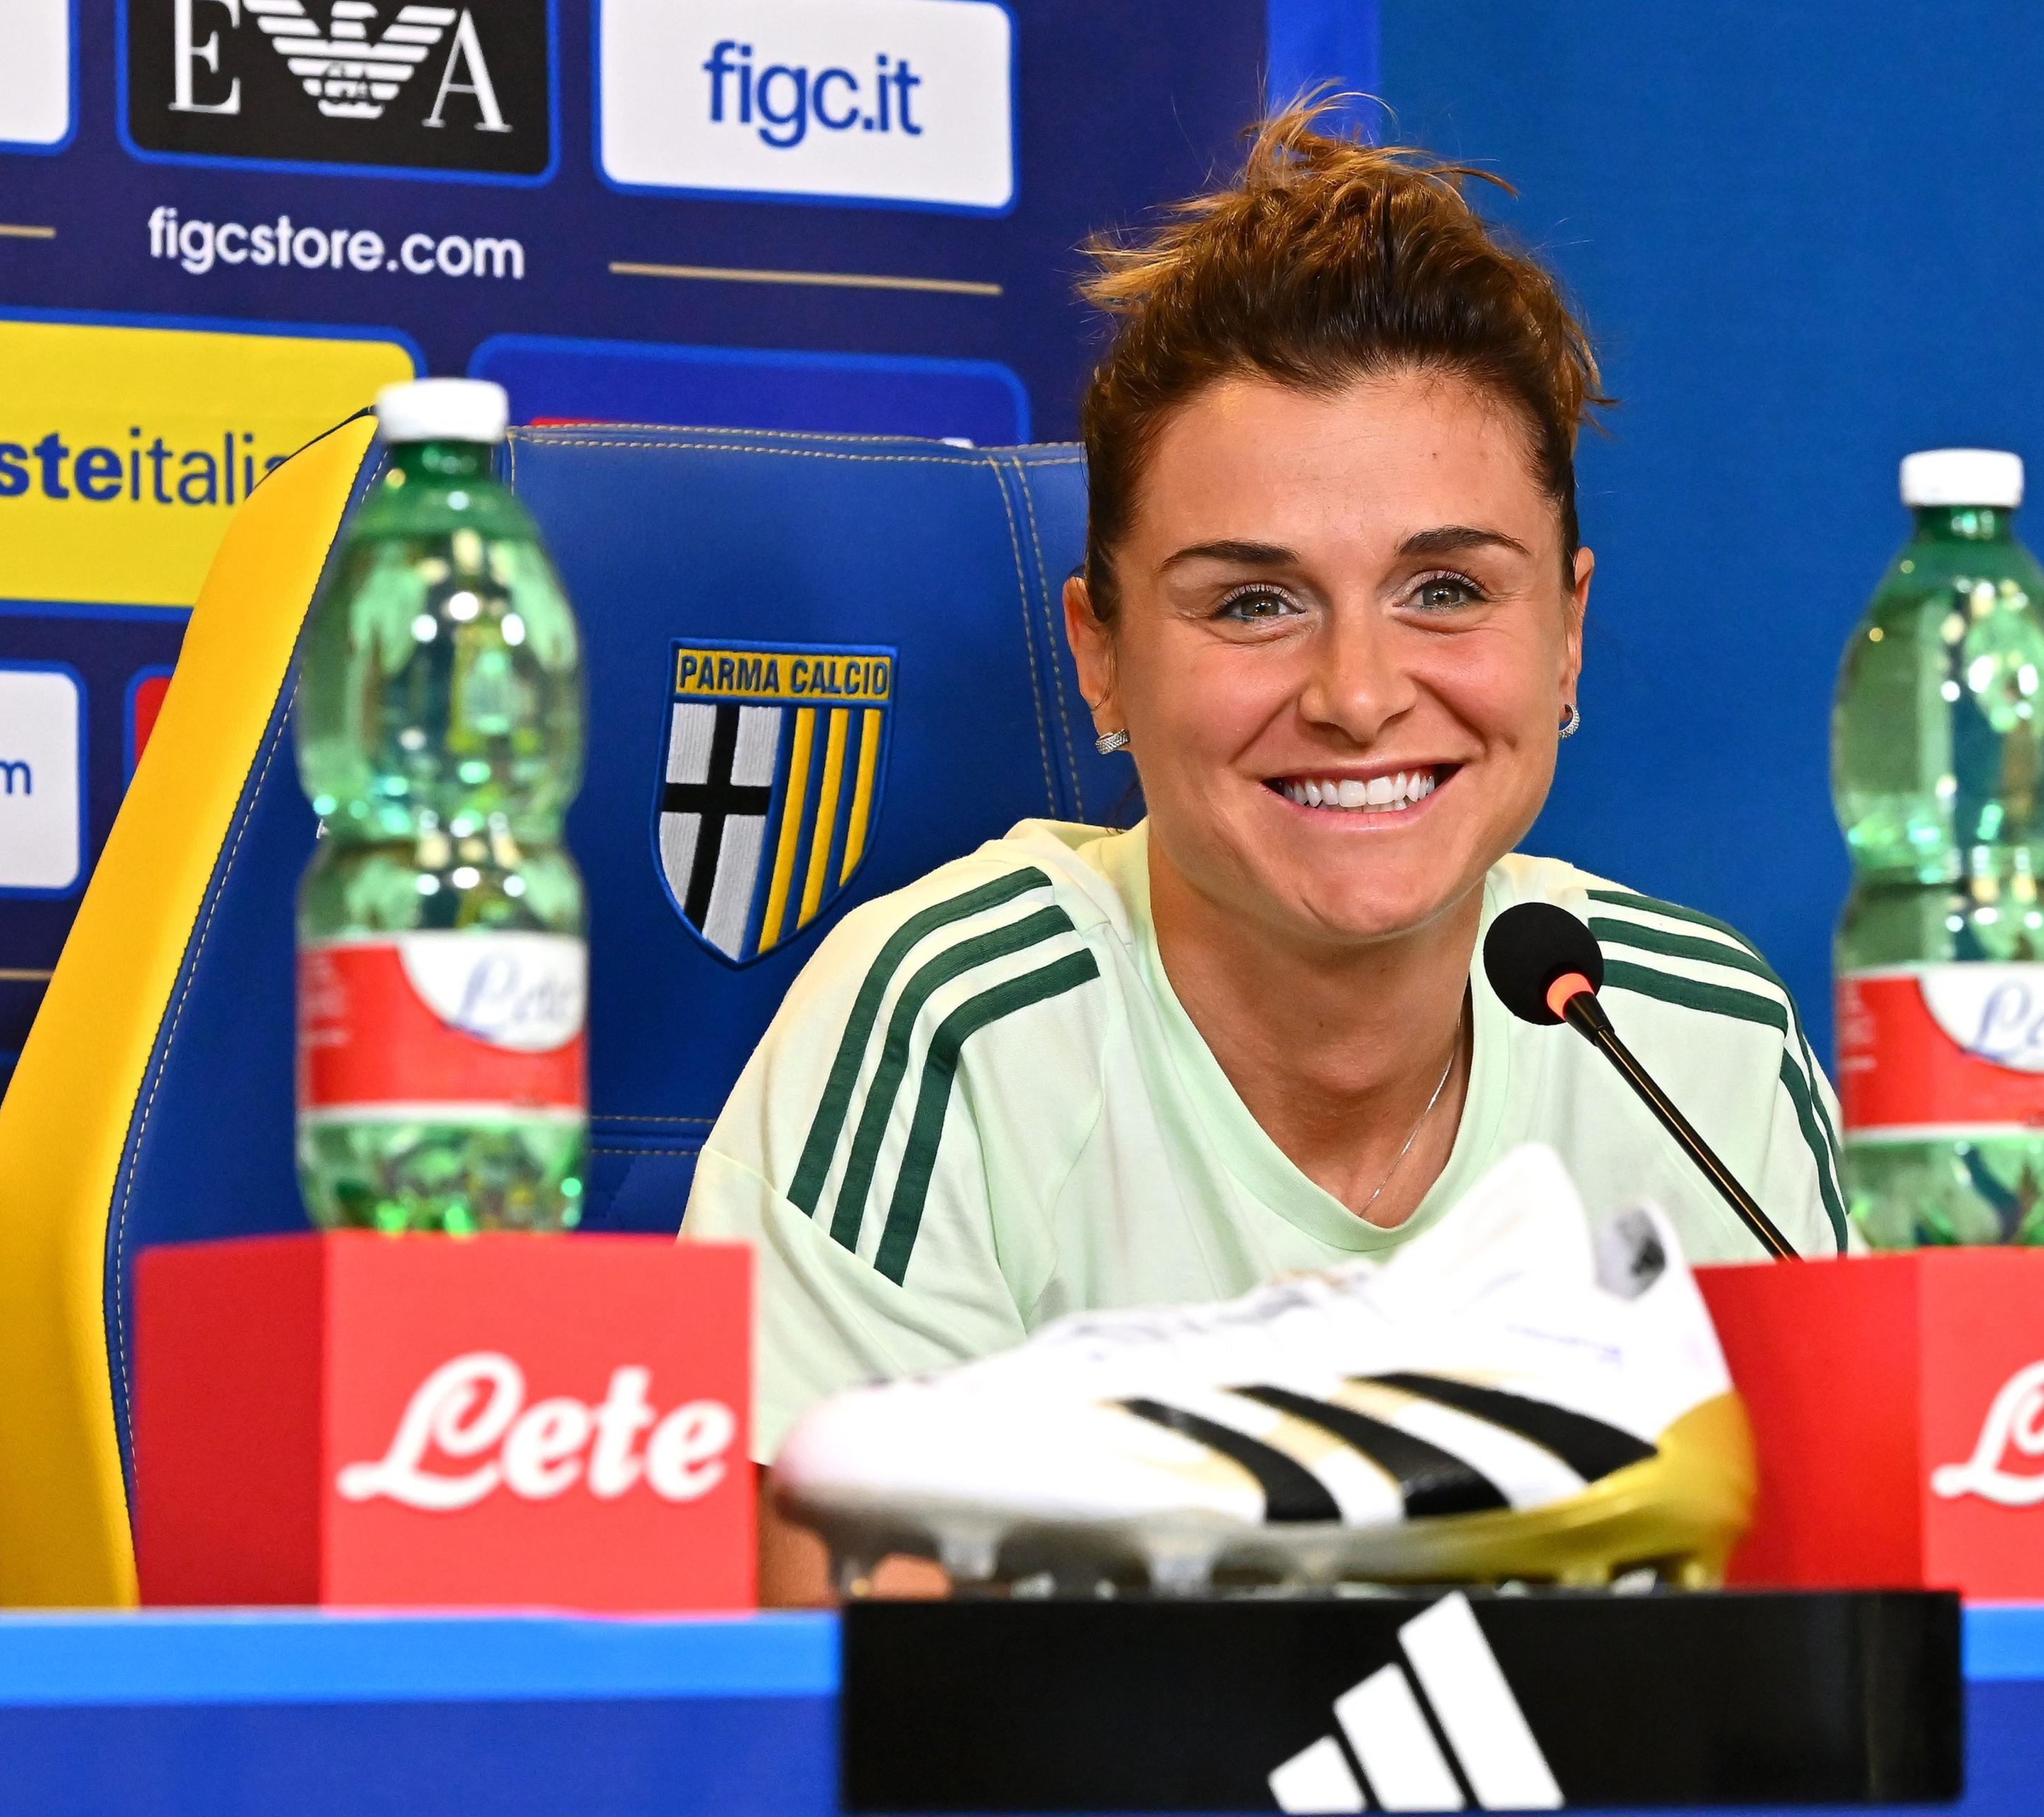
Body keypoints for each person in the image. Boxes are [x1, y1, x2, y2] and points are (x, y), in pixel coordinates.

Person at [682, 102, 1850, 1605]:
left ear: (1567, 634)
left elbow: (1832, 1663)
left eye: (1445, 588)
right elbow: (851, 1709)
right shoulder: (942, 1033)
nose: (1359, 695)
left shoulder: (1701, 1049)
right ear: (1101, 660)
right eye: (1252, 603)